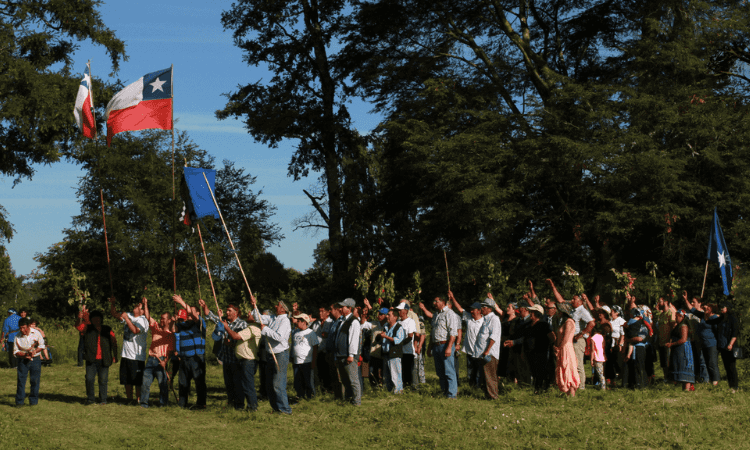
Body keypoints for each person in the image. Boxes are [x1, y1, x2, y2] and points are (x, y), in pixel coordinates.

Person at [547, 279, 594, 389]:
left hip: (577, 340)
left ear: (581, 301)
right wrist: (552, 286)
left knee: (577, 364)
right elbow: (560, 301)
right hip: (569, 340)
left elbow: (592, 323)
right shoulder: (572, 310)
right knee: (571, 363)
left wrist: (581, 334)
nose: (572, 300)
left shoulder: (582, 310)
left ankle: (581, 386)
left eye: (574, 298)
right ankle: (570, 385)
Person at [251, 296, 293, 414]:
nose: (275, 306)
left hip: (280, 355)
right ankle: (276, 408)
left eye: (278, 305)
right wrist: (254, 305)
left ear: (283, 309)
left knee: (277, 384)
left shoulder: (285, 321)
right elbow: (258, 318)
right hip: (270, 354)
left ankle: (285, 410)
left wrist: (265, 330)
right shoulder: (273, 318)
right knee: (269, 384)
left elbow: (279, 337)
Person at [203, 300, 247, 407]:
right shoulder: (222, 322)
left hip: (236, 359)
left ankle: (239, 404)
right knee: (228, 383)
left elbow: (242, 340)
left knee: (237, 383)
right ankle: (231, 403)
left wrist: (231, 344)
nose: (227, 312)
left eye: (229, 310)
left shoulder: (242, 324)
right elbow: (210, 315)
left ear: (236, 312)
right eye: (227, 310)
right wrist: (204, 305)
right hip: (226, 359)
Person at [109, 296, 149, 403]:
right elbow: (114, 314)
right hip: (126, 355)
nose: (136, 306)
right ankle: (129, 399)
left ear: (142, 311)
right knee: (126, 379)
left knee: (137, 381)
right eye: (136, 305)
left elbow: (135, 330)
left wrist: (126, 319)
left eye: (139, 306)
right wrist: (113, 304)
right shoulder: (129, 315)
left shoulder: (144, 321)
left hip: (137, 356)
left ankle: (139, 399)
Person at [222, 310, 263, 410]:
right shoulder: (250, 328)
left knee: (248, 385)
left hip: (248, 360)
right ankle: (242, 405)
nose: (248, 314)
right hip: (244, 360)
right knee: (242, 384)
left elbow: (236, 336)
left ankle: (252, 407)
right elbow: (241, 343)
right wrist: (230, 344)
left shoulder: (252, 328)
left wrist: (226, 327)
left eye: (251, 314)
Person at [172, 295, 207, 409]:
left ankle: (201, 404)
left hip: (196, 358)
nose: (190, 313)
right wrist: (174, 321)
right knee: (183, 383)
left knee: (199, 382)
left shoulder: (200, 323)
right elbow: (173, 330)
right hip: (184, 358)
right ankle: (182, 404)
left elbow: (193, 315)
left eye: (192, 311)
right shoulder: (183, 325)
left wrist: (181, 301)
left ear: (198, 313)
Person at [139, 297, 176, 408]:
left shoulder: (171, 334)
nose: (162, 320)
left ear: (169, 320)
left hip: (162, 359)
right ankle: (144, 403)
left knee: (163, 384)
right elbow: (148, 316)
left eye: (164, 319)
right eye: (161, 318)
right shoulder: (156, 327)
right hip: (151, 359)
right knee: (145, 383)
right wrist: (146, 304)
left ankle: (163, 404)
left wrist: (165, 361)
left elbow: (170, 350)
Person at [77, 309, 117, 405]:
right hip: (91, 359)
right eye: (94, 318)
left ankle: (103, 399)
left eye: (98, 318)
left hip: (104, 359)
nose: (96, 320)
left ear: (101, 319)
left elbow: (114, 342)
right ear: (91, 319)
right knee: (89, 379)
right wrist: (79, 318)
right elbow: (78, 326)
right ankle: (90, 399)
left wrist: (115, 355)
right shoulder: (87, 328)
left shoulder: (107, 329)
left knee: (103, 380)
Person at [426, 296, 460, 399]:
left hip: (445, 344)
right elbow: (433, 332)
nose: (434, 303)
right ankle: (444, 391)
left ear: (443, 302)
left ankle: (452, 394)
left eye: (436, 301)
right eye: (434, 301)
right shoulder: (436, 314)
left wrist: (449, 347)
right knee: (440, 371)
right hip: (436, 346)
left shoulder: (449, 313)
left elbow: (453, 333)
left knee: (449, 370)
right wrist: (429, 347)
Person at [332, 298, 362, 406]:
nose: (340, 308)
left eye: (343, 307)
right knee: (345, 380)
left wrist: (351, 355)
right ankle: (349, 399)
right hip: (341, 355)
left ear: (349, 308)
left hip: (348, 355)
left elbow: (354, 339)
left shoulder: (353, 321)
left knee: (353, 380)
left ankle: (356, 402)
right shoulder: (342, 321)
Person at [13, 318, 45, 406]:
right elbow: (15, 351)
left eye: (24, 328)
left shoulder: (36, 333)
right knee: (21, 381)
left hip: (35, 360)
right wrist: (24, 355)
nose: (22, 330)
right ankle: (19, 402)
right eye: (20, 328)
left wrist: (35, 351)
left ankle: (33, 401)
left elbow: (42, 345)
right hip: (23, 361)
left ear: (28, 326)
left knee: (35, 381)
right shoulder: (17, 337)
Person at [524, 304, 554, 393]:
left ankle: (542, 388)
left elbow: (552, 337)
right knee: (533, 370)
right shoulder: (529, 325)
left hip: (541, 352)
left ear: (537, 313)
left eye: (532, 312)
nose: (530, 314)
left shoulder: (544, 325)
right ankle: (536, 388)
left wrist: (547, 345)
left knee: (541, 370)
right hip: (531, 352)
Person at [477, 297, 502, 400]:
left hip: (490, 353)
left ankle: (493, 396)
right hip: (484, 353)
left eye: (484, 306)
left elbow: (494, 336)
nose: (482, 308)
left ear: (489, 309)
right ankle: (488, 395)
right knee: (486, 376)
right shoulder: (486, 319)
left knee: (491, 376)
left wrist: (487, 351)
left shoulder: (494, 319)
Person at [553, 302, 580, 397]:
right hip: (562, 348)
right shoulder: (564, 322)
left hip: (566, 348)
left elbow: (566, 337)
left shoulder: (569, 322)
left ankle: (571, 394)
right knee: (563, 369)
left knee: (568, 368)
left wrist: (559, 347)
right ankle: (567, 393)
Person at [291, 313, 319, 401]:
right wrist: (291, 356)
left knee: (308, 380)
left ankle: (310, 396)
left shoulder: (310, 333)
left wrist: (313, 361)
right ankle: (300, 395)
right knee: (298, 380)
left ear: (304, 322)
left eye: (298, 321)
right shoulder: (296, 333)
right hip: (296, 361)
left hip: (307, 361)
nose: (296, 322)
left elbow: (315, 347)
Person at [665, 309, 695, 391]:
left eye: (677, 316)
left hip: (684, 350)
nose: (675, 318)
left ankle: (687, 387)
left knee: (684, 367)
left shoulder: (683, 325)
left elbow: (683, 339)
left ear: (682, 316)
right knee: (679, 367)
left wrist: (671, 344)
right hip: (678, 350)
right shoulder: (678, 325)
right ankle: (683, 388)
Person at [380, 308, 406, 393]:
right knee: (386, 375)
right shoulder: (386, 326)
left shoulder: (399, 328)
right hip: (386, 353)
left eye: (389, 315)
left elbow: (397, 340)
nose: (387, 316)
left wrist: (386, 337)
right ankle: (389, 391)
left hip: (394, 354)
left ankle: (398, 391)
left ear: (395, 317)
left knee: (395, 374)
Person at [715, 303, 739, 393]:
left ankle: (735, 386)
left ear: (728, 308)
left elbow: (735, 333)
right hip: (722, 345)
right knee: (726, 367)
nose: (721, 308)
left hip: (730, 346)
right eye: (720, 307)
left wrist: (731, 344)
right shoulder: (721, 319)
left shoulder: (733, 318)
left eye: (723, 306)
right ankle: (730, 385)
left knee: (732, 366)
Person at [395, 302, 417, 389]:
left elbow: (410, 336)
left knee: (407, 372)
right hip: (399, 351)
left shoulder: (410, 321)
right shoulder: (398, 322)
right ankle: (401, 387)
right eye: (398, 310)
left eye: (400, 310)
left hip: (407, 351)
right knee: (400, 371)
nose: (399, 312)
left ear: (406, 311)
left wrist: (400, 344)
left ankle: (408, 388)